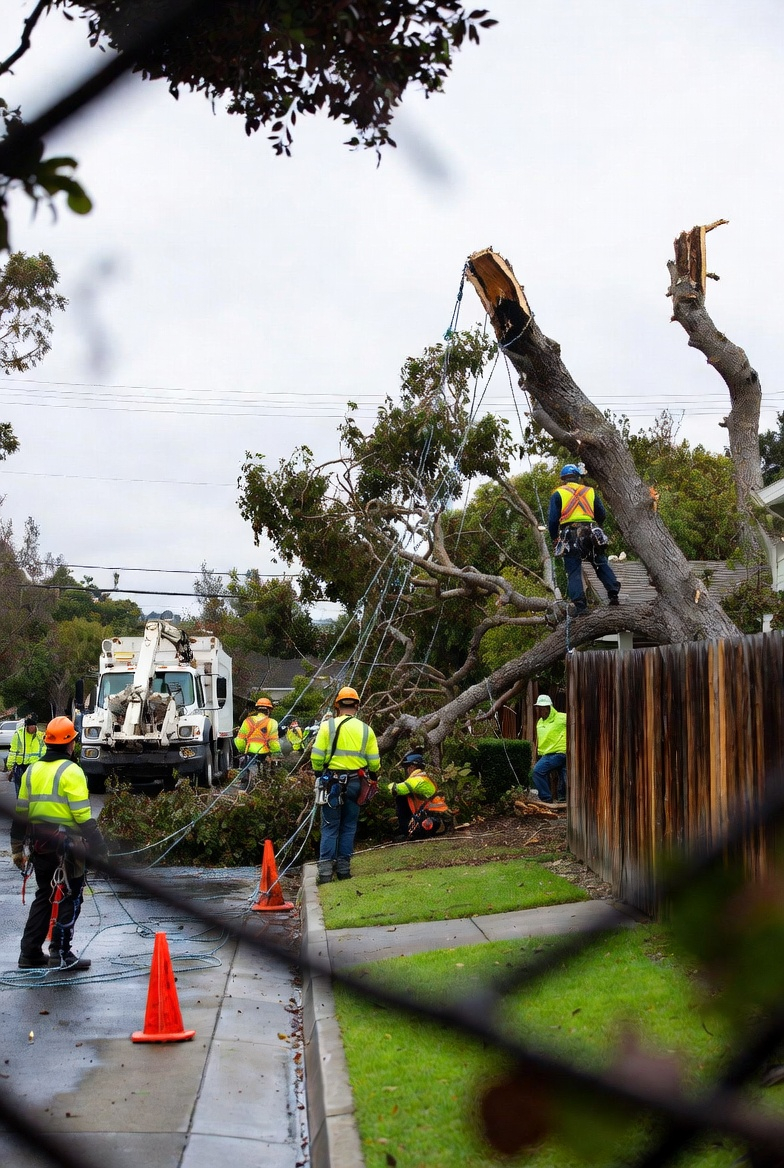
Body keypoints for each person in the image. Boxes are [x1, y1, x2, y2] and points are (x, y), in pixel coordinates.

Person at [10, 716, 107, 971]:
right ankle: (61, 954)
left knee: (44, 895)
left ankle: (30, 953)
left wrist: (17, 848)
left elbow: (21, 813)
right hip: (68, 847)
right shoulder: (72, 771)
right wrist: (100, 847)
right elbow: (83, 817)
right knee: (71, 896)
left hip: (40, 845)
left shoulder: (32, 770)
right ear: (70, 743)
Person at [311, 686, 380, 883]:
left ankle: (325, 873)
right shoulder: (367, 730)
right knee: (349, 826)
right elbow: (374, 761)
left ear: (337, 706)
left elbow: (316, 755)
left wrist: (319, 772)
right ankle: (343, 870)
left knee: (330, 826)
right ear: (357, 706)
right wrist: (372, 774)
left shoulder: (328, 727)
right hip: (356, 783)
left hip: (332, 782)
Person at [548, 463, 620, 615]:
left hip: (570, 534)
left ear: (564, 479)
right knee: (599, 562)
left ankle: (581, 607)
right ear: (578, 477)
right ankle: (613, 593)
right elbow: (601, 514)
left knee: (574, 570)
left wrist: (555, 538)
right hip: (591, 531)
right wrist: (597, 526)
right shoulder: (590, 491)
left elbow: (553, 521)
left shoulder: (558, 493)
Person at [387, 752, 449, 839]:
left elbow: (397, 789)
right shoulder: (423, 777)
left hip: (433, 819)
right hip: (436, 816)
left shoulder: (417, 780)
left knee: (400, 797)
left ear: (413, 766)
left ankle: (408, 831)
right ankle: (408, 830)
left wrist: (382, 786)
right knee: (405, 797)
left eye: (407, 767)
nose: (406, 770)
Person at [532, 694, 568, 804]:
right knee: (563, 774)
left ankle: (546, 799)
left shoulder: (561, 717)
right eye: (540, 708)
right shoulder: (540, 722)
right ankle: (562, 798)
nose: (542, 710)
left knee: (537, 772)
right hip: (548, 754)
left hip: (559, 753)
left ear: (549, 708)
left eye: (544, 708)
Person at [234, 697, 281, 777]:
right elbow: (273, 742)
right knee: (265, 774)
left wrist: (242, 750)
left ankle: (245, 784)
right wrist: (276, 753)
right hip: (264, 753)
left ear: (257, 709)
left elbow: (240, 740)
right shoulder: (272, 722)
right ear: (269, 710)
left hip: (250, 751)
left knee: (245, 774)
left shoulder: (248, 721)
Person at [6, 714, 45, 794]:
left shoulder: (40, 735)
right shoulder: (19, 735)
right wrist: (10, 766)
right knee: (20, 789)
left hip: (34, 766)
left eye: (33, 726)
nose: (32, 728)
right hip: (20, 765)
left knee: (33, 790)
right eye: (30, 726)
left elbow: (44, 750)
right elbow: (13, 751)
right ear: (26, 726)